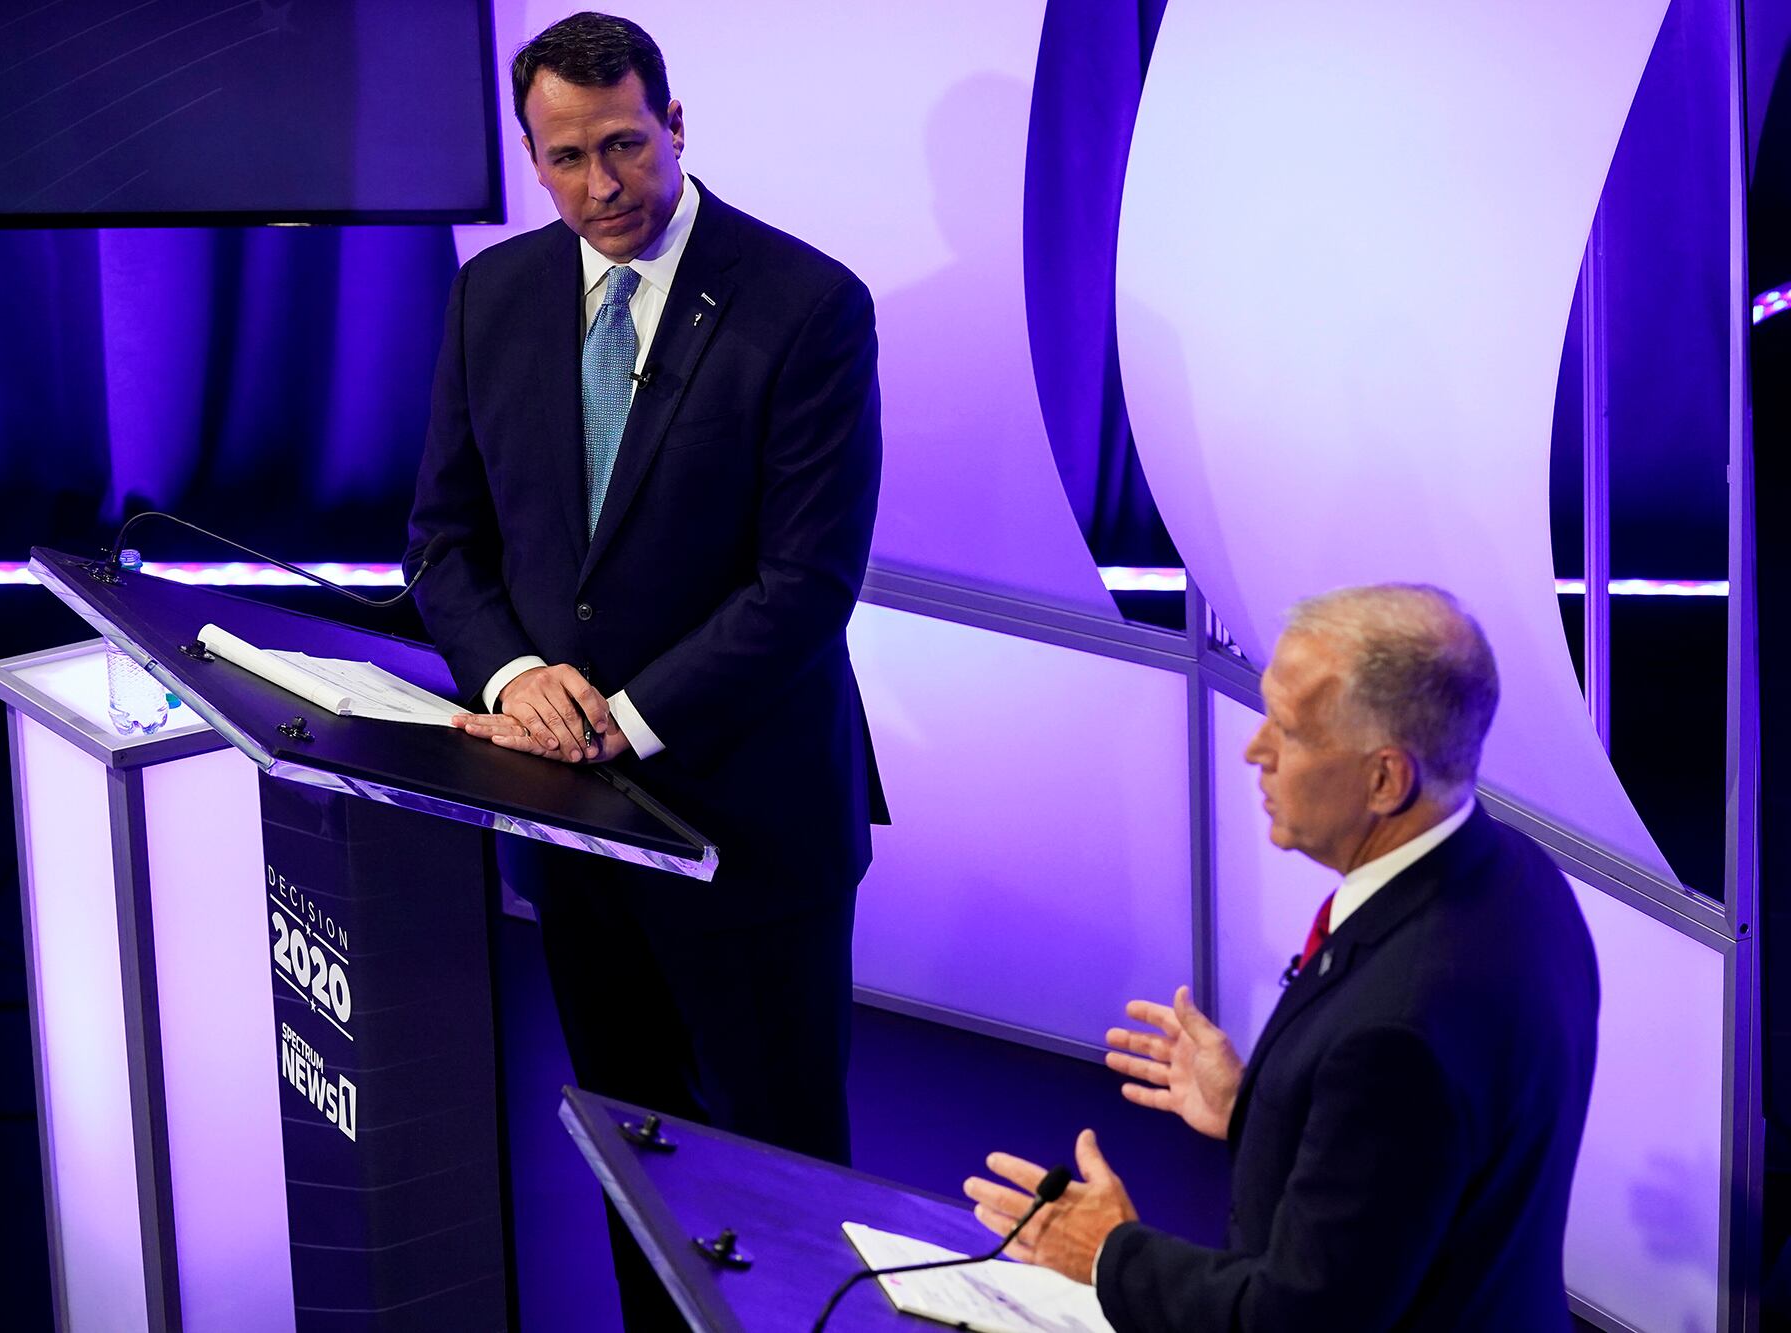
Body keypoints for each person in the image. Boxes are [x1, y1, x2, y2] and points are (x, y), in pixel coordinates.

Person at [404, 11, 884, 1327]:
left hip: (747, 820)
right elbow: (444, 542)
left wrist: (616, 716)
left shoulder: (808, 306)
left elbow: (805, 589)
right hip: (571, 826)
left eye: (624, 145)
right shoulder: (493, 294)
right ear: (530, 156)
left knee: (783, 1174)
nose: (600, 186)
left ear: (677, 125)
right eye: (565, 158)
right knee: (632, 1151)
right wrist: (510, 678)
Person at [965, 584, 1599, 1330]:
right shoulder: (1516, 876)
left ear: (1386, 778)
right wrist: (1256, 1107)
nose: (1254, 749)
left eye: (1289, 730)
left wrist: (1108, 1252)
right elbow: (1417, 1169)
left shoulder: (1397, 1034)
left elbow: (1295, 1319)